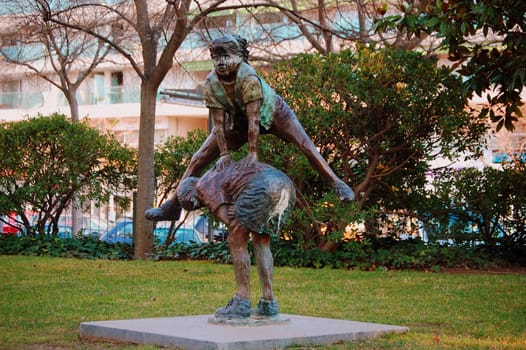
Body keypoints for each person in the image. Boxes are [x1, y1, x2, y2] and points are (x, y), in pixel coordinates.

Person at [145, 34, 354, 221]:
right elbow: (218, 124)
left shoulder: (249, 78)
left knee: (306, 145)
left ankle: (336, 183)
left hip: (273, 113)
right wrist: (225, 154)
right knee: (198, 158)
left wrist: (253, 155)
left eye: (226, 57)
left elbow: (255, 119)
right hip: (239, 120)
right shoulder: (211, 83)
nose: (221, 62)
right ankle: (172, 207)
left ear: (240, 57)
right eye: (216, 58)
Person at [176, 161, 296, 319]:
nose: (200, 206)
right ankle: (269, 301)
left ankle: (242, 301)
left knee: (236, 239)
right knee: (261, 240)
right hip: (285, 185)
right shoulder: (218, 174)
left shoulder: (203, 185)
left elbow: (227, 217)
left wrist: (234, 210)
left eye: (195, 204)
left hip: (261, 185)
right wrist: (239, 206)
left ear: (191, 195)